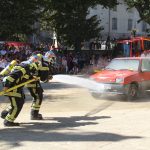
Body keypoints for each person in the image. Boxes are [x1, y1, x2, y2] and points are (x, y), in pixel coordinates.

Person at [1, 60, 38, 126]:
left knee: (20, 101)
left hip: (16, 88)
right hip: (12, 88)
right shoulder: (24, 68)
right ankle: (8, 121)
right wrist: (6, 87)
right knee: (17, 105)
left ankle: (5, 114)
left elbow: (26, 77)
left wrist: (33, 78)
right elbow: (11, 77)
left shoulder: (26, 69)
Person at [26, 53, 51, 120]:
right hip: (33, 83)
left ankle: (34, 113)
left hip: (33, 82)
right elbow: (43, 78)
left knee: (37, 97)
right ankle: (34, 114)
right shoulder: (38, 64)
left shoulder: (33, 64)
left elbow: (41, 77)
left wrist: (46, 78)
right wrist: (46, 77)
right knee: (38, 97)